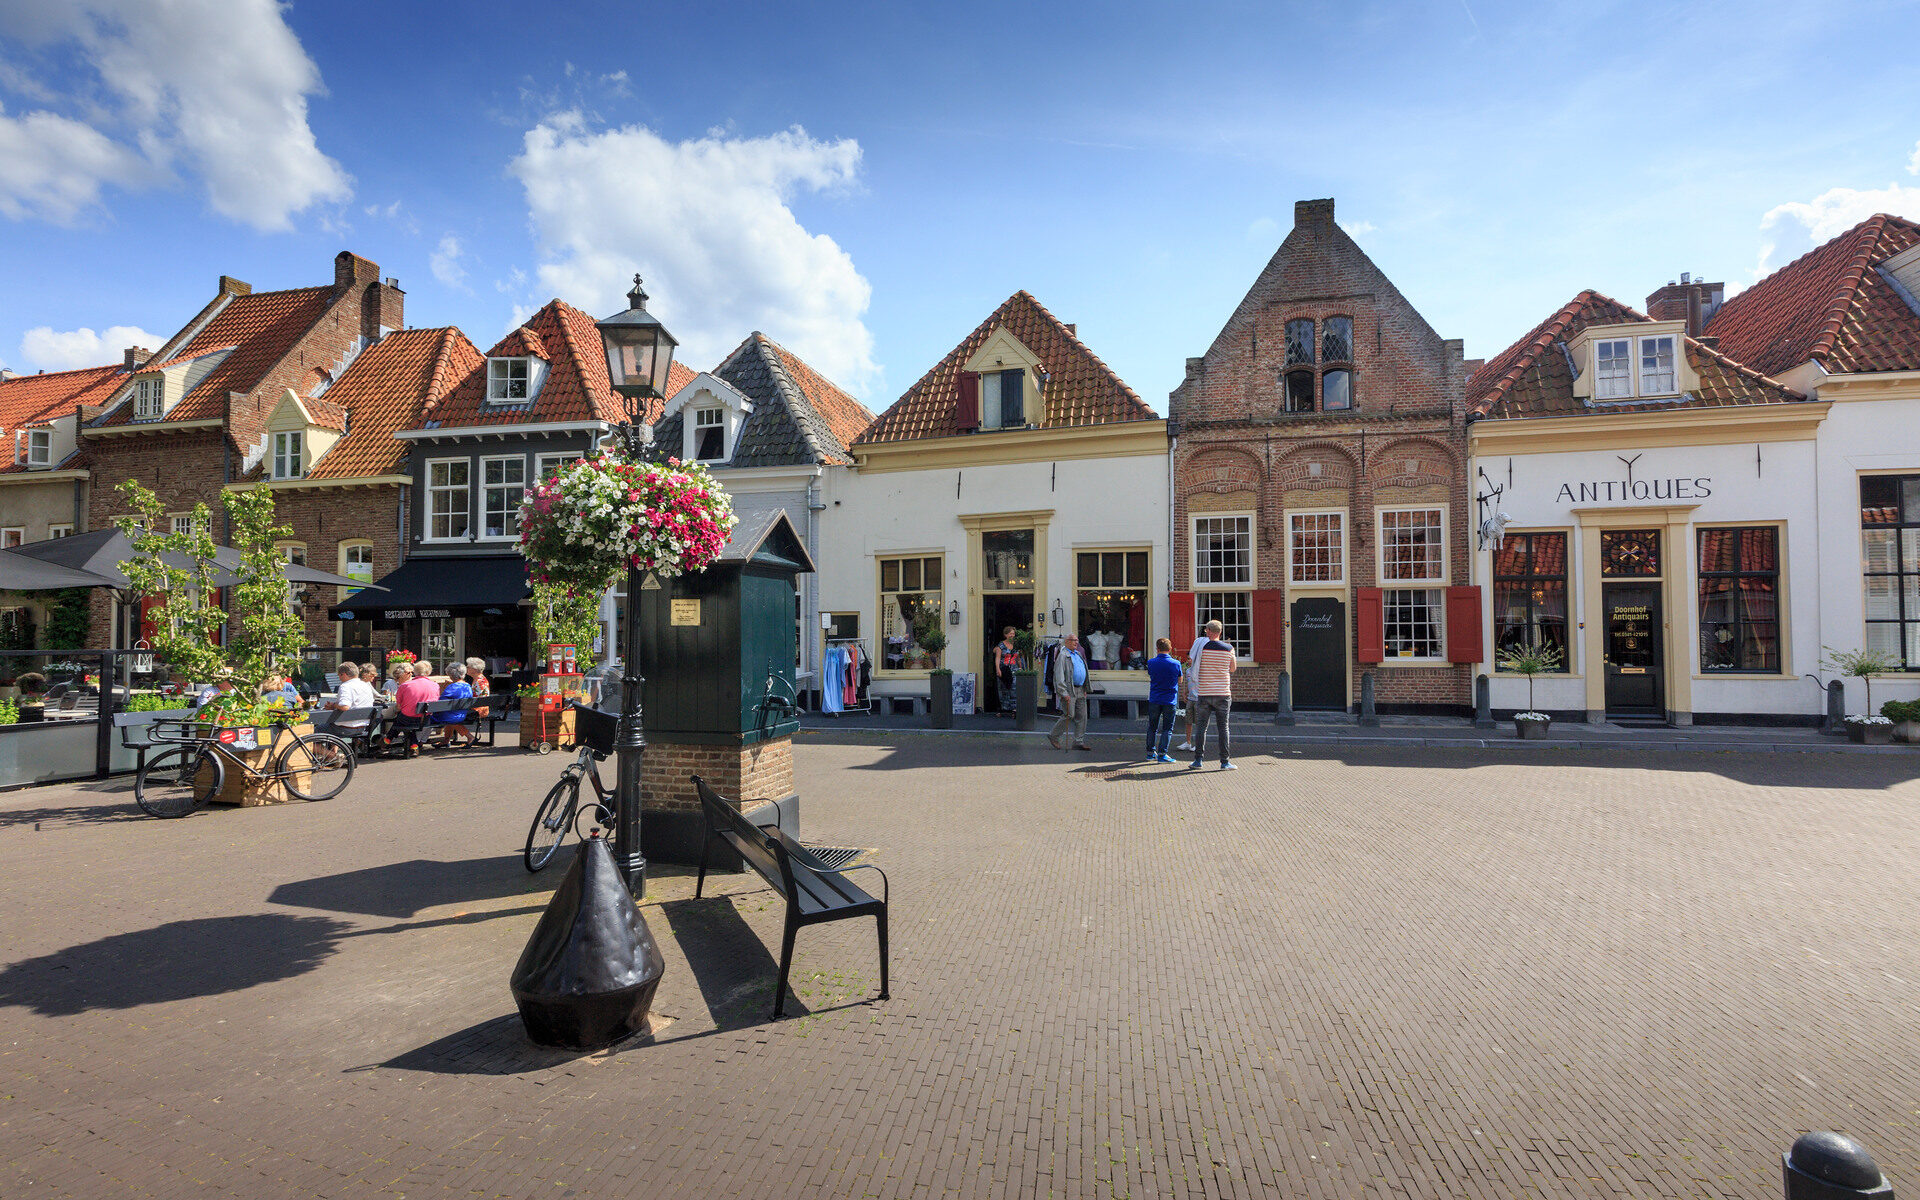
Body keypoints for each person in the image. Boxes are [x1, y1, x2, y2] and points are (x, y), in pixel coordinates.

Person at [1188, 620, 1237, 771]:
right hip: (1222, 693)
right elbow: (1233, 669)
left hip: (1204, 693)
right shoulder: (1229, 648)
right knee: (1224, 728)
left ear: (1208, 631)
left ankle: (1198, 760)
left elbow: (1191, 664)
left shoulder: (1200, 648)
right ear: (1220, 632)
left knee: (1201, 728)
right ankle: (1224, 762)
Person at [1047, 632, 1092, 751]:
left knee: (1082, 716)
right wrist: (1063, 692)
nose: (1076, 642)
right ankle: (1053, 736)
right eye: (1073, 640)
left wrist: (1085, 687)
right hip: (1069, 689)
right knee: (1069, 715)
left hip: (1081, 689)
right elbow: (1059, 675)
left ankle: (1078, 741)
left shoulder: (1077, 654)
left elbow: (1084, 671)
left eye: (1077, 640)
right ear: (1066, 642)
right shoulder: (1063, 655)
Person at [390, 662, 440, 757]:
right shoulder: (435, 686)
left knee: (401, 719)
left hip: (407, 718)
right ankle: (413, 746)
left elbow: (399, 706)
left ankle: (388, 739)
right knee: (407, 720)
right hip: (425, 719)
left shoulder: (405, 686)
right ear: (428, 672)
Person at [1144, 638, 1182, 763]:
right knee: (1167, 728)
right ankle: (1162, 754)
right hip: (1169, 699)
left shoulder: (1151, 662)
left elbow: (1151, 675)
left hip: (1155, 698)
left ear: (1157, 649)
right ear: (1170, 649)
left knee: (1152, 727)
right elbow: (1180, 680)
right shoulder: (1176, 663)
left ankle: (1150, 753)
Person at [1176, 627, 1209, 752]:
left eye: (1190, 659)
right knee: (1188, 721)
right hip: (1190, 698)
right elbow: (1188, 683)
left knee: (1199, 723)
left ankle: (1198, 743)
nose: (1188, 661)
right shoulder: (1188, 670)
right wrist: (1185, 692)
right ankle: (1188, 742)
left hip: (1199, 698)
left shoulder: (1200, 670)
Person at [432, 661, 476, 747]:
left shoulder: (452, 687)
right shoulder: (467, 686)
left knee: (447, 717)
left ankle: (470, 737)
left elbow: (440, 701)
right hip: (462, 713)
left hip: (452, 715)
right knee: (449, 715)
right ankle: (446, 740)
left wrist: (442, 690)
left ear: (451, 675)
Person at [330, 662, 376, 733]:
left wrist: (333, 705)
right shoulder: (366, 686)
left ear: (344, 674)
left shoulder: (346, 686)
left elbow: (345, 707)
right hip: (363, 726)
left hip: (347, 727)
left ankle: (334, 744)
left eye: (339, 675)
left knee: (317, 730)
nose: (339, 678)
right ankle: (336, 744)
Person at [993, 627, 1020, 718]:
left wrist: (1020, 668)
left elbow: (1018, 658)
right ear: (1006, 635)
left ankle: (1014, 709)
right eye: (1010, 634)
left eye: (1013, 633)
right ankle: (1002, 709)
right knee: (1003, 689)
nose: (1012, 635)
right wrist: (998, 669)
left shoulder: (1016, 645)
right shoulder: (1001, 645)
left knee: (1014, 689)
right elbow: (997, 657)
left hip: (1014, 669)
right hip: (1004, 669)